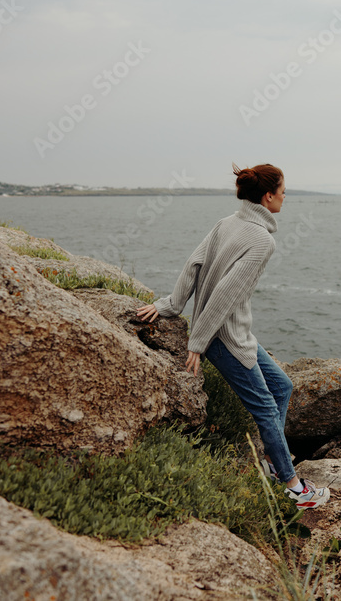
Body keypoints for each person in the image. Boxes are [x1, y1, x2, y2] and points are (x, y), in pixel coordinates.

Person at [135, 164, 329, 509]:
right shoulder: (262, 241)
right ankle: (295, 488)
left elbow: (192, 263)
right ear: (268, 196)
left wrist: (173, 304)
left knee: (282, 386)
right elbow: (224, 294)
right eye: (284, 191)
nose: (286, 196)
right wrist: (197, 342)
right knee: (267, 409)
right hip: (224, 337)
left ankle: (273, 461)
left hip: (236, 331)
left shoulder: (227, 222)